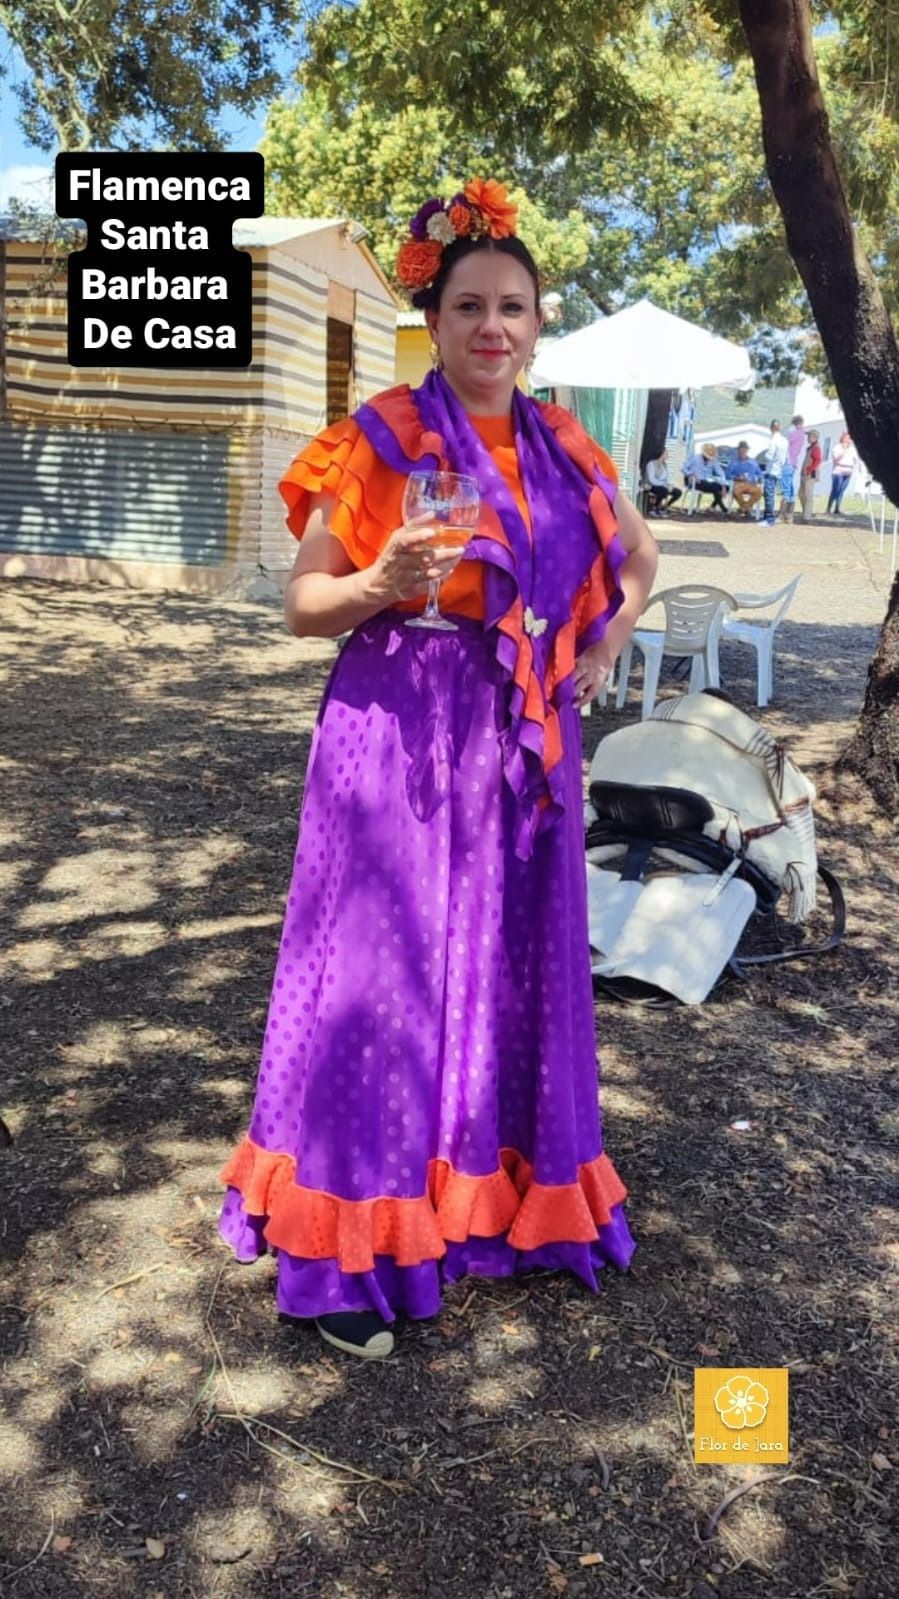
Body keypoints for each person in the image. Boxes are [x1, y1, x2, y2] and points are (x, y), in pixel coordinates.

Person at [217, 179, 657, 1360]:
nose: (492, 329)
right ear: (436, 314)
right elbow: (304, 605)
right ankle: (351, 1249)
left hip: (520, 737)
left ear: (535, 321)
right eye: (469, 306)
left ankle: (503, 1200)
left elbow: (637, 558)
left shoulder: (567, 443)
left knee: (512, 961)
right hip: (398, 722)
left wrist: (591, 656)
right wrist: (380, 588)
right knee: (385, 973)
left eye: (513, 307)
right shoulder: (378, 436)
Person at [683, 441, 729, 513]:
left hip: (707, 482)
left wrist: (723, 485)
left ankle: (712, 507)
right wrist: (691, 474)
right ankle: (723, 508)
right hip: (695, 481)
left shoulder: (713, 460)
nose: (709, 458)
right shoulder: (694, 457)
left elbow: (720, 472)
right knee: (715, 486)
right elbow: (684, 468)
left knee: (726, 487)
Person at [760, 419, 788, 525]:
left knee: (769, 495)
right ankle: (767, 517)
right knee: (771, 494)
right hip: (778, 470)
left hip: (771, 470)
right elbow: (784, 457)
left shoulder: (773, 440)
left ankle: (769, 519)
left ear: (771, 428)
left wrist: (765, 455)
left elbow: (769, 455)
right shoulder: (784, 441)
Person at [725, 441, 764, 518]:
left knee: (759, 492)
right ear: (738, 451)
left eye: (744, 450)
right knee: (736, 491)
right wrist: (737, 477)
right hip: (739, 484)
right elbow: (728, 475)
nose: (742, 452)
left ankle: (743, 509)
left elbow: (760, 474)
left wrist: (759, 479)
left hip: (751, 484)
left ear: (747, 451)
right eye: (740, 450)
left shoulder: (753, 462)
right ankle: (747, 509)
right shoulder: (734, 462)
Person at [780, 414, 805, 523]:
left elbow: (785, 441)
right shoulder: (802, 434)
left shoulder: (793, 433)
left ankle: (783, 514)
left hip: (788, 461)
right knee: (790, 489)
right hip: (794, 462)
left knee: (786, 488)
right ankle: (790, 515)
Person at [643, 449, 682, 516]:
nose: (668, 455)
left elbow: (666, 478)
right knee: (664, 491)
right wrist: (664, 484)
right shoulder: (651, 464)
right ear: (662, 454)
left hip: (663, 485)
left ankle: (665, 506)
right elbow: (651, 479)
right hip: (651, 485)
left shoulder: (664, 465)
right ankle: (654, 508)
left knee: (678, 492)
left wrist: (669, 485)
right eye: (666, 453)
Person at [827, 431, 858, 514]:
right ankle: (828, 508)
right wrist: (843, 451)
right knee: (835, 490)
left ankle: (837, 508)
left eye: (849, 438)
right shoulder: (837, 447)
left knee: (841, 490)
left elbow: (855, 459)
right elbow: (836, 458)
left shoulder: (852, 449)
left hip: (848, 472)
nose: (848, 440)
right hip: (838, 471)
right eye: (847, 438)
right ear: (843, 438)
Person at [798, 428, 822, 521]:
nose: (808, 437)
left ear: (814, 437)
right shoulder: (811, 447)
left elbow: (818, 460)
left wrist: (809, 469)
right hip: (805, 474)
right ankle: (806, 513)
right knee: (801, 494)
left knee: (808, 496)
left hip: (810, 475)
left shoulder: (816, 448)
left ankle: (806, 517)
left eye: (809, 436)